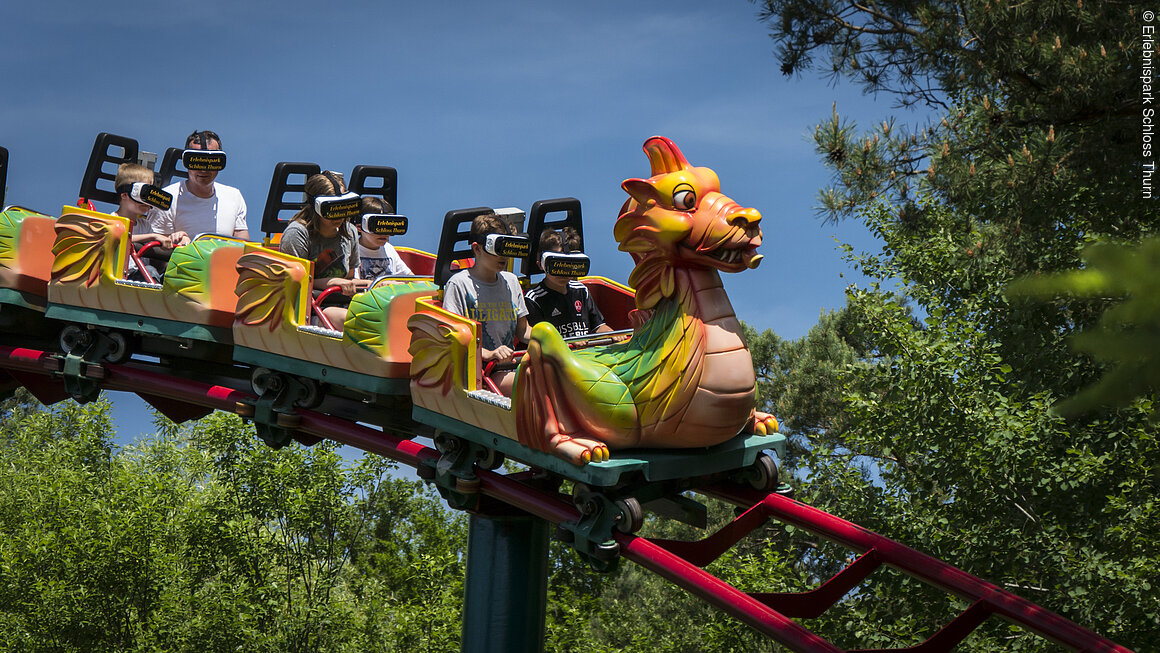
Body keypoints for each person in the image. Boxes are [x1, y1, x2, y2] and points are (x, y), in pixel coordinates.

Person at [442, 213, 531, 394]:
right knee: (533, 384)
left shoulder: (511, 281)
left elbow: (523, 331)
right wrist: (489, 354)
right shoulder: (459, 284)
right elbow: (453, 339)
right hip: (480, 372)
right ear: (477, 249)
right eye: (497, 249)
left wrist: (551, 339)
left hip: (510, 365)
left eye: (507, 249)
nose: (504, 256)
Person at [279, 171, 366, 329]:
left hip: (340, 302)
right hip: (306, 310)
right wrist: (333, 282)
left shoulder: (350, 232)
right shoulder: (297, 233)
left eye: (343, 207)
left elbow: (349, 280)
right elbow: (295, 284)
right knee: (355, 322)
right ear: (316, 207)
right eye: (332, 209)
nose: (339, 215)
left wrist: (377, 284)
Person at [147, 130, 249, 240]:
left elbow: (243, 245)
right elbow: (155, 247)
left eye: (211, 161)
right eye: (197, 161)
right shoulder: (166, 199)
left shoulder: (234, 196)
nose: (203, 169)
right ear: (186, 162)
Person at [525, 227, 612, 338]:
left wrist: (613, 335)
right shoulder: (534, 299)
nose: (563, 272)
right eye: (557, 265)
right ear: (541, 264)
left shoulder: (581, 290)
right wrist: (568, 344)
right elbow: (539, 340)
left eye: (569, 265)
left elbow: (598, 326)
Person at [113, 163, 189, 282]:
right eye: (144, 195)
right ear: (124, 194)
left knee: (174, 276)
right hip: (122, 278)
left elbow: (159, 245)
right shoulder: (111, 220)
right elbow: (118, 237)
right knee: (151, 270)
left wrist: (177, 239)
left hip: (144, 276)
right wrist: (153, 236)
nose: (147, 202)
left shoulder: (145, 225)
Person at [356, 196, 413, 280]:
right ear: (359, 226)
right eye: (378, 226)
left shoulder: (389, 249)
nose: (384, 232)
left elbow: (411, 279)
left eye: (388, 226)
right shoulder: (352, 251)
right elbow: (354, 285)